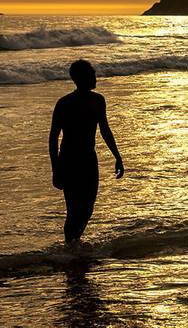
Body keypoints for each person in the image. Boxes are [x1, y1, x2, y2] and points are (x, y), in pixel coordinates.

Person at [49, 60, 125, 244]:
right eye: (91, 74)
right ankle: (70, 246)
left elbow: (105, 130)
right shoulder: (64, 103)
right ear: (80, 78)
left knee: (88, 208)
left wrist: (117, 156)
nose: (95, 77)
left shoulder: (98, 100)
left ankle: (74, 245)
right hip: (69, 160)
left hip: (89, 160)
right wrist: (56, 169)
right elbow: (53, 138)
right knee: (74, 209)